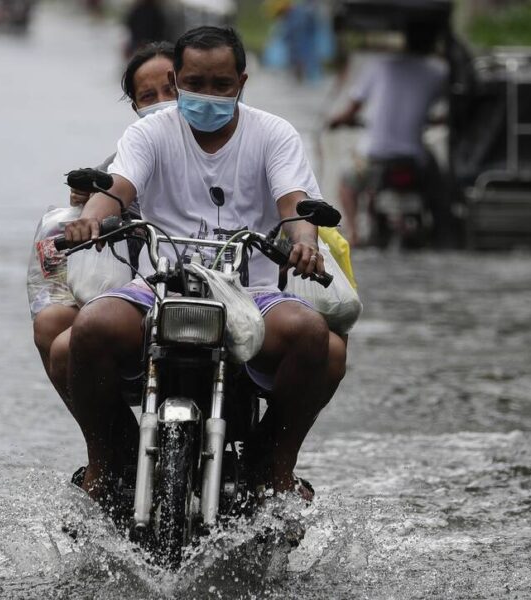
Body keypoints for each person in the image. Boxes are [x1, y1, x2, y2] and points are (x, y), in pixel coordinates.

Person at [62, 26, 347, 502]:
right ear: (177, 79)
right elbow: (116, 189)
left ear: (242, 81)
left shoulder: (274, 134)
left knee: (311, 335)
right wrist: (90, 221)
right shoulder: (149, 131)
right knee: (89, 328)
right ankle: (105, 458)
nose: (207, 96)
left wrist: (304, 243)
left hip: (251, 294)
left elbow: (296, 207)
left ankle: (274, 464)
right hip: (159, 284)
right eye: (194, 84)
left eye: (221, 85)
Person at [31, 42, 177, 407]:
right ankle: (113, 449)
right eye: (149, 96)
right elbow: (111, 191)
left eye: (172, 90)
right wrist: (88, 213)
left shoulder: (246, 139)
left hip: (221, 282)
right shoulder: (132, 150)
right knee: (53, 325)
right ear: (136, 107)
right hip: (144, 285)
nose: (162, 102)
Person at [326, 23, 447, 246]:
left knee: (345, 183)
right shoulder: (438, 71)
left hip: (375, 158)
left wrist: (336, 121)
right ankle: (442, 233)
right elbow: (447, 107)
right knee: (441, 190)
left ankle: (353, 234)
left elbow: (351, 110)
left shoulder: (379, 66)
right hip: (414, 161)